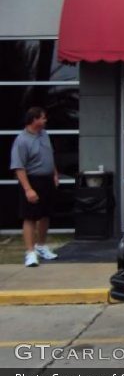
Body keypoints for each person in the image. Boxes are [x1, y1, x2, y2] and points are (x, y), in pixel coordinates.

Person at [9, 106, 60, 267]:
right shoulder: (21, 140)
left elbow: (49, 156)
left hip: (47, 180)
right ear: (34, 120)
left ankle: (41, 246)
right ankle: (30, 252)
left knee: (45, 215)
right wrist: (28, 189)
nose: (45, 120)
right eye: (43, 118)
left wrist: (54, 174)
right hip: (31, 180)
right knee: (30, 217)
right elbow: (19, 167)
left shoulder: (44, 135)